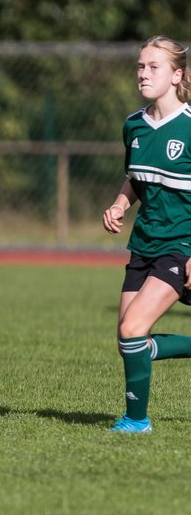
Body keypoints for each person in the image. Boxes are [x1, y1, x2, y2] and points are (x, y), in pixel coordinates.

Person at [102, 35, 191, 433]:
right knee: (128, 341)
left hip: (180, 245)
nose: (143, 73)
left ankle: (136, 422)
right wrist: (120, 205)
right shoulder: (134, 125)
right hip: (143, 245)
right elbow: (135, 179)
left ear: (177, 76)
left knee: (133, 331)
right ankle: (135, 420)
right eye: (140, 66)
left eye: (153, 67)